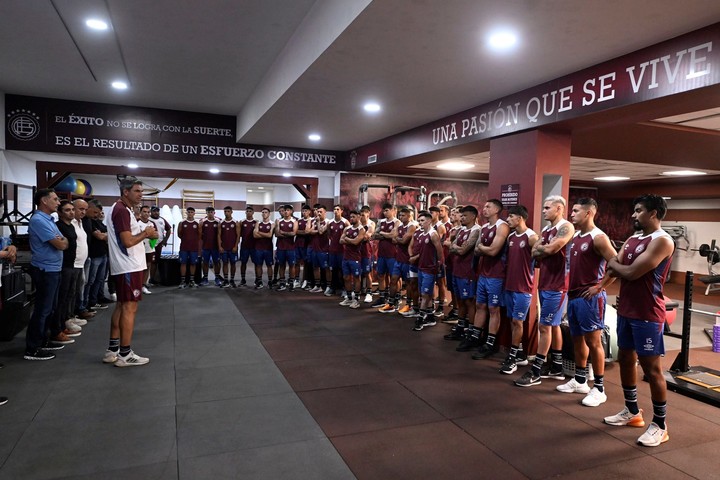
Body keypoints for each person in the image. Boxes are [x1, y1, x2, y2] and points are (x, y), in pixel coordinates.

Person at [604, 194, 674, 447]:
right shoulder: (634, 239)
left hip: (647, 314)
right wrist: (617, 266)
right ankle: (632, 412)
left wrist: (616, 264)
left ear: (653, 213)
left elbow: (630, 271)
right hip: (626, 311)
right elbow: (614, 268)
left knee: (651, 369)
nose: (633, 215)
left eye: (638, 210)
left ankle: (660, 424)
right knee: (625, 359)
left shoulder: (663, 241)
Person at [548, 198, 617, 405]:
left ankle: (599, 388)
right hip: (575, 296)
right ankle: (580, 380)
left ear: (588, 213)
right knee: (577, 338)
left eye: (576, 211)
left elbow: (616, 263)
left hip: (591, 298)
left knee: (594, 342)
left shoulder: (599, 237)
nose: (572, 214)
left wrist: (600, 286)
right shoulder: (577, 236)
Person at [516, 196, 574, 384]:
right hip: (545, 282)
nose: (543, 211)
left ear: (559, 208)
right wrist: (543, 248)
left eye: (547, 207)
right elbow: (534, 252)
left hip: (558, 285)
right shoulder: (546, 229)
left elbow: (551, 250)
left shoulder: (566, 227)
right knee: (553, 325)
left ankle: (536, 370)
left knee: (544, 326)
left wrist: (543, 248)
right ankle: (556, 365)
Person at [104, 178, 158, 366]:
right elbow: (127, 241)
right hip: (128, 265)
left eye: (141, 191)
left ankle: (113, 350)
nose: (141, 194)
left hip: (126, 265)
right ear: (125, 192)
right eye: (137, 191)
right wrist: (146, 234)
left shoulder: (120, 209)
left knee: (121, 305)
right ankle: (125, 354)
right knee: (129, 307)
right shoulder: (120, 211)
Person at [459, 200, 509, 356]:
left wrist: (483, 248)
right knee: (480, 305)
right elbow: (476, 250)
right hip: (483, 273)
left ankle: (490, 343)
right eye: (484, 206)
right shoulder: (485, 227)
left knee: (493, 309)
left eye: (488, 207)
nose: (484, 209)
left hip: (496, 275)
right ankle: (475, 337)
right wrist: (483, 248)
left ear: (497, 210)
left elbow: (494, 251)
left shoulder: (502, 226)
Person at [25, 189, 68, 361]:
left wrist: (62, 241)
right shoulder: (37, 220)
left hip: (54, 269)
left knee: (50, 308)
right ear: (44, 201)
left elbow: (64, 240)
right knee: (42, 310)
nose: (58, 203)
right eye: (55, 199)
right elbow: (60, 244)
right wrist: (61, 241)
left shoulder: (50, 219)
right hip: (44, 270)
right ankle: (33, 348)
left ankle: (43, 340)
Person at [497, 205, 538, 374]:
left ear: (519, 218)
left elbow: (539, 260)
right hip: (509, 286)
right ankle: (519, 353)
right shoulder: (511, 237)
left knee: (517, 321)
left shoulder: (532, 237)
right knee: (512, 321)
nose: (508, 220)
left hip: (523, 288)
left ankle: (513, 358)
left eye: (511, 216)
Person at [444, 205, 481, 340]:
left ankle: (470, 330)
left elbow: (461, 250)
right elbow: (452, 246)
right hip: (457, 270)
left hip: (468, 272)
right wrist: (454, 243)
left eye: (464, 216)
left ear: (473, 216)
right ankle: (460, 327)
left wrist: (453, 246)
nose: (461, 218)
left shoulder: (476, 231)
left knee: (469, 302)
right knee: (460, 301)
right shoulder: (462, 230)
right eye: (461, 215)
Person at [51, 200, 82, 344]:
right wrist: (64, 243)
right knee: (60, 299)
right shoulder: (58, 226)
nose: (71, 212)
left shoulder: (71, 226)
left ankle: (63, 325)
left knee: (68, 296)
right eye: (67, 210)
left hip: (71, 264)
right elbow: (61, 244)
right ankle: (56, 330)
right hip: (62, 266)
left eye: (72, 209)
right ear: (60, 213)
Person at [409, 210, 444, 331]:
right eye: (419, 220)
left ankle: (420, 319)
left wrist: (439, 265)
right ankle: (430, 317)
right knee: (425, 294)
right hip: (421, 268)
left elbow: (440, 252)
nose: (420, 222)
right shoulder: (421, 234)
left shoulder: (433, 234)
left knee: (424, 294)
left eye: (422, 220)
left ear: (429, 221)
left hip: (430, 269)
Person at [378, 207, 417, 313]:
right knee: (393, 280)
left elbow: (403, 240)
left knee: (408, 283)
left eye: (403, 215)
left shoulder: (412, 226)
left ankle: (409, 304)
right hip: (398, 259)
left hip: (407, 260)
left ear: (409, 216)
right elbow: (394, 238)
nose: (401, 217)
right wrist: (399, 239)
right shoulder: (399, 226)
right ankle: (391, 303)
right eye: (400, 215)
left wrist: (398, 239)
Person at [83, 199, 112, 310]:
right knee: (90, 281)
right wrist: (106, 236)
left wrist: (105, 235)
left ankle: (95, 300)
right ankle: (87, 303)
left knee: (99, 279)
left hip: (102, 253)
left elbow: (106, 235)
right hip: (93, 255)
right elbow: (101, 237)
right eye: (95, 212)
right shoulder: (89, 221)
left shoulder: (96, 222)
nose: (98, 215)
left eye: (100, 213)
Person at [371, 203, 400, 308]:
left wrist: (382, 234)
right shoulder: (381, 222)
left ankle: (396, 297)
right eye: (384, 211)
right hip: (382, 254)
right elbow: (374, 235)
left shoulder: (397, 222)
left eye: (387, 210)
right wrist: (386, 234)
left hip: (392, 254)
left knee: (394, 277)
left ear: (393, 210)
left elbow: (393, 235)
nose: (385, 212)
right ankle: (382, 298)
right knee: (381, 275)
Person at [338, 210, 366, 309]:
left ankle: (356, 300)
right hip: (346, 257)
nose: (352, 219)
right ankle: (349, 298)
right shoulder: (347, 228)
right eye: (351, 217)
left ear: (359, 217)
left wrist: (348, 240)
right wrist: (350, 240)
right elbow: (340, 240)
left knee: (356, 278)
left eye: (354, 217)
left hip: (355, 258)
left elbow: (356, 242)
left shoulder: (361, 229)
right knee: (346, 277)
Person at [306, 204, 331, 293]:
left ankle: (328, 286)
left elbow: (321, 231)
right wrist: (315, 229)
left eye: (321, 212)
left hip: (324, 249)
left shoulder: (328, 222)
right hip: (315, 248)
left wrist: (317, 224)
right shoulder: (313, 221)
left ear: (325, 212)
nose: (318, 213)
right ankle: (318, 285)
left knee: (326, 268)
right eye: (318, 211)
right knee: (315, 267)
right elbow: (308, 231)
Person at [327, 205, 350, 296]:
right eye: (334, 209)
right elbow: (329, 234)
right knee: (334, 269)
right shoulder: (330, 222)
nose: (335, 211)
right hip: (333, 250)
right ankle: (333, 288)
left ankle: (344, 288)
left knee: (342, 270)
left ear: (341, 211)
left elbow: (349, 234)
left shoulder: (345, 222)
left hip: (342, 250)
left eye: (337, 209)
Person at [274, 204, 298, 291]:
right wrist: (287, 234)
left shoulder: (294, 221)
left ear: (291, 211)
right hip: (281, 247)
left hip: (291, 247)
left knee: (292, 265)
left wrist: (283, 232)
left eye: (288, 210)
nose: (286, 212)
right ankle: (282, 283)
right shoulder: (278, 221)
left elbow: (293, 233)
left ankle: (291, 283)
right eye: (285, 210)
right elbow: (277, 234)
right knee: (281, 265)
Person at [177, 207, 201, 288]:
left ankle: (191, 280)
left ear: (194, 213)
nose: (190, 213)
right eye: (189, 212)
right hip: (184, 247)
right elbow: (179, 234)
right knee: (183, 263)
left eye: (192, 212)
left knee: (193, 263)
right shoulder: (182, 223)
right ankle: (183, 281)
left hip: (194, 247)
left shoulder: (197, 223)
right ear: (186, 213)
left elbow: (199, 235)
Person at [148, 206, 172, 285]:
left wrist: (165, 240)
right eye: (154, 211)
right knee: (148, 262)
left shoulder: (162, 220)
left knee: (155, 262)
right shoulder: (148, 219)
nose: (156, 212)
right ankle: (145, 280)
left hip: (159, 243)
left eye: (157, 211)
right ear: (151, 212)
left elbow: (168, 229)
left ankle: (152, 279)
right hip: (150, 242)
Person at [218, 206, 240, 287]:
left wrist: (235, 246)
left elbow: (238, 236)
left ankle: (232, 280)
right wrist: (220, 246)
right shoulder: (221, 222)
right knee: (225, 263)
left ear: (231, 212)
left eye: (228, 211)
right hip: (224, 248)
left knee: (233, 264)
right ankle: (226, 280)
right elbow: (219, 235)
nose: (226, 213)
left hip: (232, 248)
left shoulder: (235, 222)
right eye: (225, 211)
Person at [200, 206, 222, 286]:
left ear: (214, 213)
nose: (210, 213)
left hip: (215, 247)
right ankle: (205, 278)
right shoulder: (202, 221)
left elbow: (221, 234)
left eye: (211, 212)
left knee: (217, 262)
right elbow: (199, 234)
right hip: (205, 246)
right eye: (208, 212)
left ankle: (217, 278)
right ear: (206, 213)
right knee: (205, 262)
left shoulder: (219, 221)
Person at [253, 207, 274, 289]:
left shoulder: (272, 224)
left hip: (268, 248)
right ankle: (259, 281)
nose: (264, 214)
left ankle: (270, 281)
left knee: (269, 266)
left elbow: (270, 235)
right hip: (258, 248)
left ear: (269, 214)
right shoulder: (258, 223)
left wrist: (259, 233)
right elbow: (255, 235)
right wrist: (266, 234)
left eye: (266, 212)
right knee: (258, 265)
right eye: (263, 212)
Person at [359, 205, 376, 303]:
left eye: (363, 215)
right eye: (360, 215)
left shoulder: (371, 224)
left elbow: (367, 236)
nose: (361, 217)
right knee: (357, 273)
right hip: (357, 251)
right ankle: (358, 291)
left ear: (368, 215)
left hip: (367, 252)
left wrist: (356, 237)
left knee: (367, 272)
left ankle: (369, 293)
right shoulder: (358, 224)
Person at [137, 205, 154, 294]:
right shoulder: (137, 223)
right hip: (139, 249)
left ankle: (144, 285)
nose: (146, 214)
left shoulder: (151, 224)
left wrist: (150, 238)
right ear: (140, 213)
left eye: (148, 212)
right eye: (144, 212)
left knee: (147, 267)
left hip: (149, 248)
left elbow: (154, 236)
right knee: (139, 268)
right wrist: (146, 234)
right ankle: (137, 286)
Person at [295, 204, 314, 289]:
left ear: (309, 212)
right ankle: (296, 279)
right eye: (303, 211)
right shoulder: (299, 220)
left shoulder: (312, 220)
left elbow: (308, 232)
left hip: (307, 244)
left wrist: (302, 232)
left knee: (306, 263)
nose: (304, 212)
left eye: (306, 211)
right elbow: (295, 231)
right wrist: (304, 232)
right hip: (298, 243)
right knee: (297, 262)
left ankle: (305, 280)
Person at [239, 206, 257, 286]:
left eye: (250, 211)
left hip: (254, 247)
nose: (248, 212)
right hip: (244, 246)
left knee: (257, 263)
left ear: (253, 212)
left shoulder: (256, 222)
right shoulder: (242, 222)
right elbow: (238, 234)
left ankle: (257, 279)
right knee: (243, 263)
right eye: (247, 211)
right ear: (245, 212)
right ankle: (243, 279)